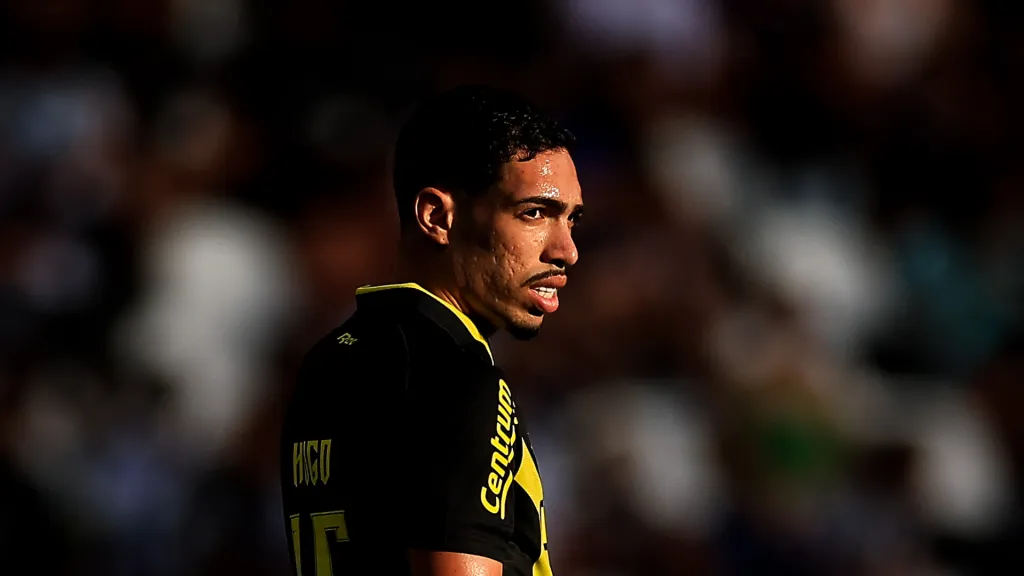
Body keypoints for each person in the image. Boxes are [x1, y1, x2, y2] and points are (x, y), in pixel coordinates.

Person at [279, 84, 583, 576]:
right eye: (534, 213)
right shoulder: (461, 381)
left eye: (572, 219)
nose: (566, 250)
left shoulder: (329, 360)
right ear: (437, 216)